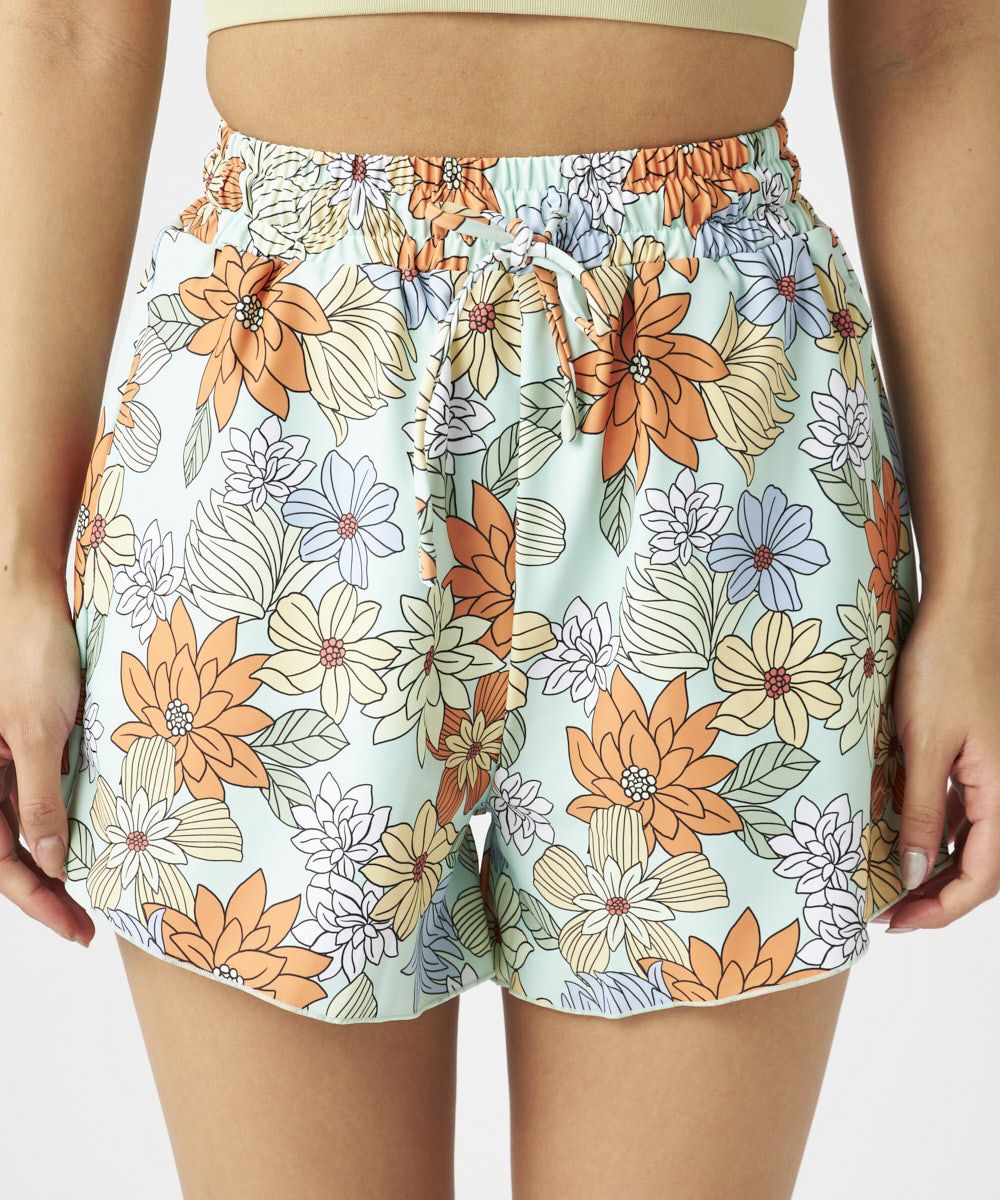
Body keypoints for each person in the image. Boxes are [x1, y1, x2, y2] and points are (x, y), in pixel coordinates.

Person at [1, 1, 997, 1196]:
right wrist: (13, 570)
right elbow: (67, 28)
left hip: (715, 416)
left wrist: (979, 591)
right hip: (283, 397)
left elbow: (935, 39)